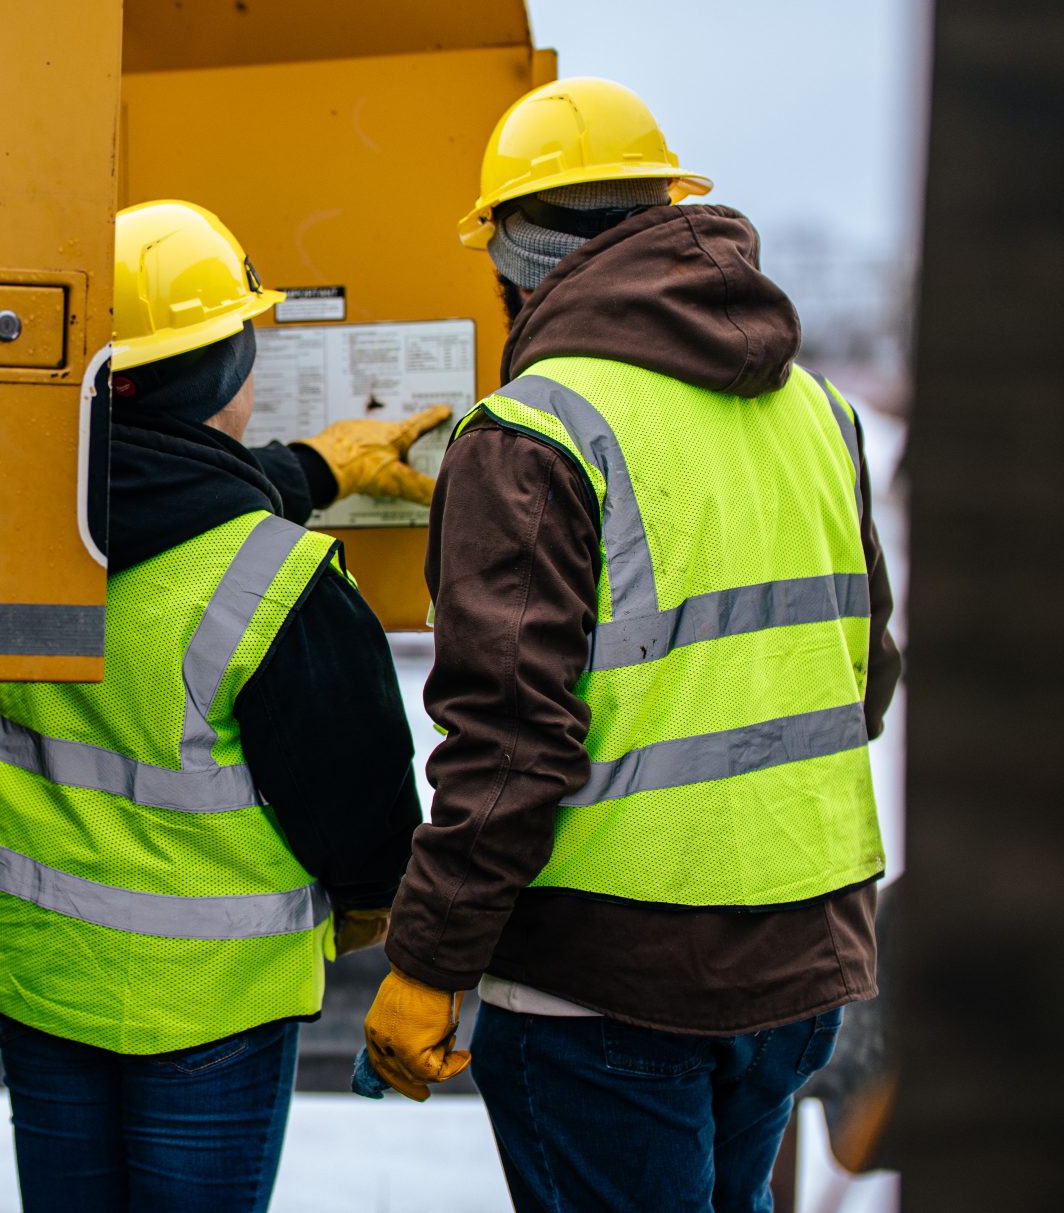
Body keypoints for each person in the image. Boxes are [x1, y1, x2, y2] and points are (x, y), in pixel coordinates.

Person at [358, 77, 902, 1213]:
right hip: (802, 958)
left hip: (605, 982)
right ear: (665, 213)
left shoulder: (532, 433)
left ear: (511, 255)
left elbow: (509, 747)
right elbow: (863, 673)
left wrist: (426, 964)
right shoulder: (821, 410)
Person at [0, 199, 440, 1213]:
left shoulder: (15, 539)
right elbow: (363, 822)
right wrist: (369, 917)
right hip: (208, 1013)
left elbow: (150, 488)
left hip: (41, 983)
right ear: (228, 371)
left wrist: (311, 468)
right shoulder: (281, 585)